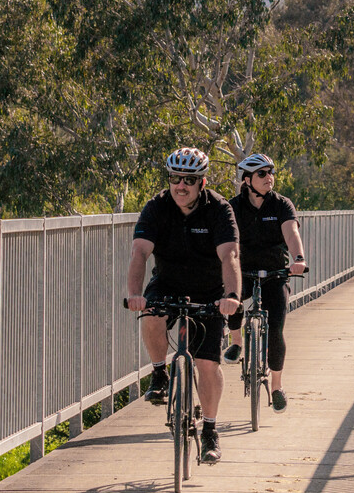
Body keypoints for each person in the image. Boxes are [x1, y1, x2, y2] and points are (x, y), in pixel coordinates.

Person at [124, 146, 241, 463]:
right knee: (150, 311)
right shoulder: (157, 207)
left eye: (189, 179)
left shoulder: (218, 209)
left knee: (207, 365)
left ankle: (210, 432)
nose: (181, 185)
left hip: (210, 291)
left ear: (202, 182)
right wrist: (135, 293)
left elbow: (229, 255)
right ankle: (160, 373)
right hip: (169, 282)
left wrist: (231, 297)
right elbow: (139, 253)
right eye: (175, 177)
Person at [224, 153, 307, 412]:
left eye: (270, 171)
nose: (268, 177)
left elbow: (291, 232)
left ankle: (276, 386)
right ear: (247, 180)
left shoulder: (281, 204)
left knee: (276, 330)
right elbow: (225, 239)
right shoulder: (234, 206)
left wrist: (299, 258)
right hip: (243, 270)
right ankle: (236, 341)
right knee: (233, 300)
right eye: (262, 173)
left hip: (275, 273)